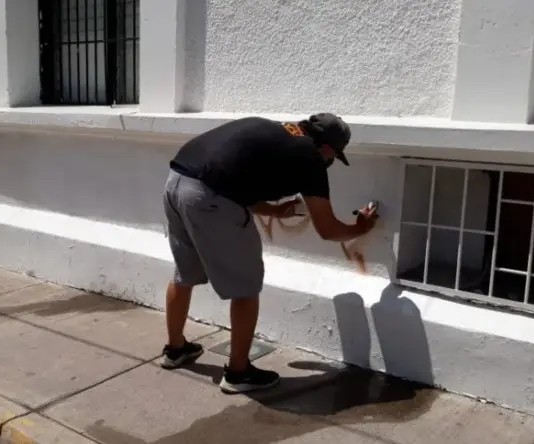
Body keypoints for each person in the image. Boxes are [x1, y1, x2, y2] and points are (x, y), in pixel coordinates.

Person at [160, 113, 378, 394]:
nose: (331, 161)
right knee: (246, 287)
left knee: (184, 273)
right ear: (326, 146)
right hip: (209, 198)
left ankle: (175, 349)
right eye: (334, 155)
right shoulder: (308, 156)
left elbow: (234, 181)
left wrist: (275, 211)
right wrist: (360, 227)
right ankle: (238, 372)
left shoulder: (275, 132)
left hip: (176, 183)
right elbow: (327, 229)